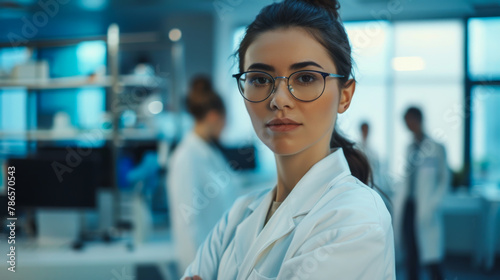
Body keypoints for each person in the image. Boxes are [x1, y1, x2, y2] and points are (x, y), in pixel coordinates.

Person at [183, 0, 395, 279]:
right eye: (259, 79)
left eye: (305, 77)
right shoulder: (238, 214)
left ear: (345, 94)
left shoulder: (356, 218)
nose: (278, 100)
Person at [168, 76, 239, 273]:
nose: (226, 126)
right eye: (226, 119)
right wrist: (195, 272)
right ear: (214, 116)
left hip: (221, 261)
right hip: (202, 267)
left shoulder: (209, 152)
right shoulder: (186, 157)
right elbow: (187, 223)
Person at [401, 107, 450, 280]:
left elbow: (444, 179)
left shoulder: (436, 147)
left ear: (419, 119)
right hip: (409, 206)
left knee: (432, 258)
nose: (408, 125)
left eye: (410, 120)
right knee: (411, 255)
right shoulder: (409, 148)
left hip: (427, 207)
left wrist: (434, 203)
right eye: (405, 122)